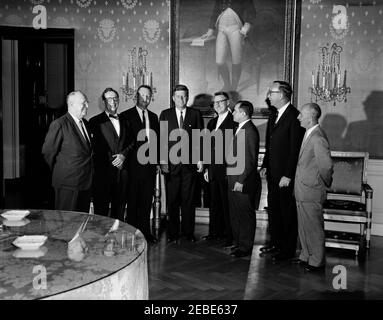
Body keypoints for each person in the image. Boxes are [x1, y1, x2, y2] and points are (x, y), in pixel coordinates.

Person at [260, 81, 305, 260]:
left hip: (285, 176)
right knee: (274, 210)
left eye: (271, 92)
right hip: (272, 173)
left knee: (286, 212)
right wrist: (264, 165)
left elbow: (295, 149)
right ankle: (276, 244)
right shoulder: (274, 114)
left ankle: (286, 250)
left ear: (282, 95)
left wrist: (288, 174)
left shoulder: (295, 116)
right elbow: (270, 144)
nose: (268, 95)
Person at [159, 84, 204, 243]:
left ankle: (188, 233)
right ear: (173, 98)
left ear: (188, 96)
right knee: (172, 201)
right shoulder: (165, 114)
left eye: (184, 96)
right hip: (171, 165)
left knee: (188, 200)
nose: (181, 99)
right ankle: (173, 233)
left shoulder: (195, 114)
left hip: (190, 166)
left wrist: (200, 160)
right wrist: (163, 161)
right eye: (178, 96)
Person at [294, 103, 333, 272]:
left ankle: (317, 261)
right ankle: (306, 256)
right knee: (303, 225)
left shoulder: (318, 137)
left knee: (314, 227)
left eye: (301, 114)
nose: (298, 117)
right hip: (302, 188)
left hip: (311, 189)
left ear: (310, 117)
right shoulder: (308, 133)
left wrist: (323, 183)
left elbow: (326, 166)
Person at [120, 85, 160, 244]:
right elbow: (123, 142)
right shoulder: (125, 116)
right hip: (132, 167)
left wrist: (157, 162)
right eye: (142, 95)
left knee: (146, 201)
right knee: (132, 201)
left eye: (148, 96)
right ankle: (131, 233)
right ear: (136, 96)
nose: (145, 98)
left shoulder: (154, 116)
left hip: (149, 166)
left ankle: (146, 233)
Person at [42, 90, 93, 212]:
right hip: (67, 184)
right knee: (66, 223)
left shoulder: (85, 123)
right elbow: (48, 153)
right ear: (71, 104)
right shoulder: (59, 124)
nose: (87, 106)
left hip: (85, 183)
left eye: (87, 102)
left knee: (82, 221)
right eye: (83, 103)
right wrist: (63, 171)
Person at [89, 88, 132, 221]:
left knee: (119, 210)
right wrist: (113, 161)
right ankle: (100, 240)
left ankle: (117, 239)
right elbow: (94, 148)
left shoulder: (126, 119)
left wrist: (123, 156)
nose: (113, 101)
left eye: (115, 98)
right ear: (104, 102)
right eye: (109, 99)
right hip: (103, 174)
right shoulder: (94, 121)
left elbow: (132, 142)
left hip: (122, 173)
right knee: (101, 211)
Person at [227, 100, 260, 257]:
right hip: (233, 178)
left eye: (235, 111)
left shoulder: (250, 131)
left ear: (243, 113)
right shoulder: (240, 128)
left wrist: (241, 180)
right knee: (236, 214)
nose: (232, 113)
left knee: (245, 215)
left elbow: (250, 160)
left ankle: (245, 247)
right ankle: (239, 243)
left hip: (242, 182)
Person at [202, 91, 235, 247]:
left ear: (228, 102)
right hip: (213, 170)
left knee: (227, 204)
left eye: (220, 102)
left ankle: (229, 236)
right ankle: (215, 232)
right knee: (214, 202)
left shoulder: (234, 121)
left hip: (227, 170)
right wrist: (207, 169)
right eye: (214, 103)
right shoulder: (211, 123)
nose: (217, 105)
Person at [201, 0, 256, 91]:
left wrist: (247, 26)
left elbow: (251, 12)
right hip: (221, 28)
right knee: (219, 61)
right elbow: (215, 12)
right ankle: (227, 85)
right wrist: (210, 29)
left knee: (236, 59)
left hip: (236, 28)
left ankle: (233, 88)